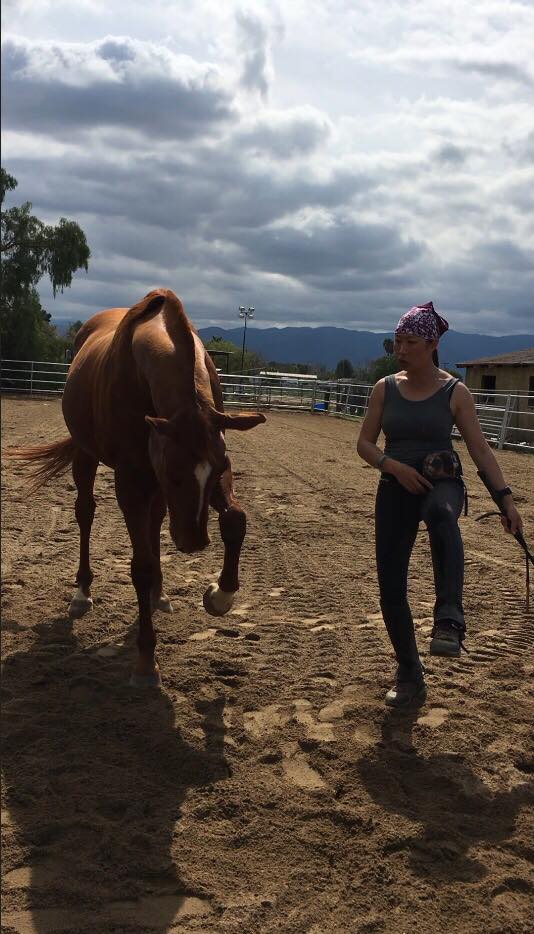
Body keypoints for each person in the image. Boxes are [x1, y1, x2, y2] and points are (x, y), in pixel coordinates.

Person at [356, 302, 524, 708]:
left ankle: (449, 618)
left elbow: (480, 450)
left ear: (431, 344)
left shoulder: (454, 392)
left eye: (410, 341)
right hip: (395, 483)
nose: (400, 349)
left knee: (440, 512)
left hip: (441, 483)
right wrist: (392, 466)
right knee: (390, 584)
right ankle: (409, 670)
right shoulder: (384, 388)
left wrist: (505, 500)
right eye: (397, 341)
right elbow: (364, 444)